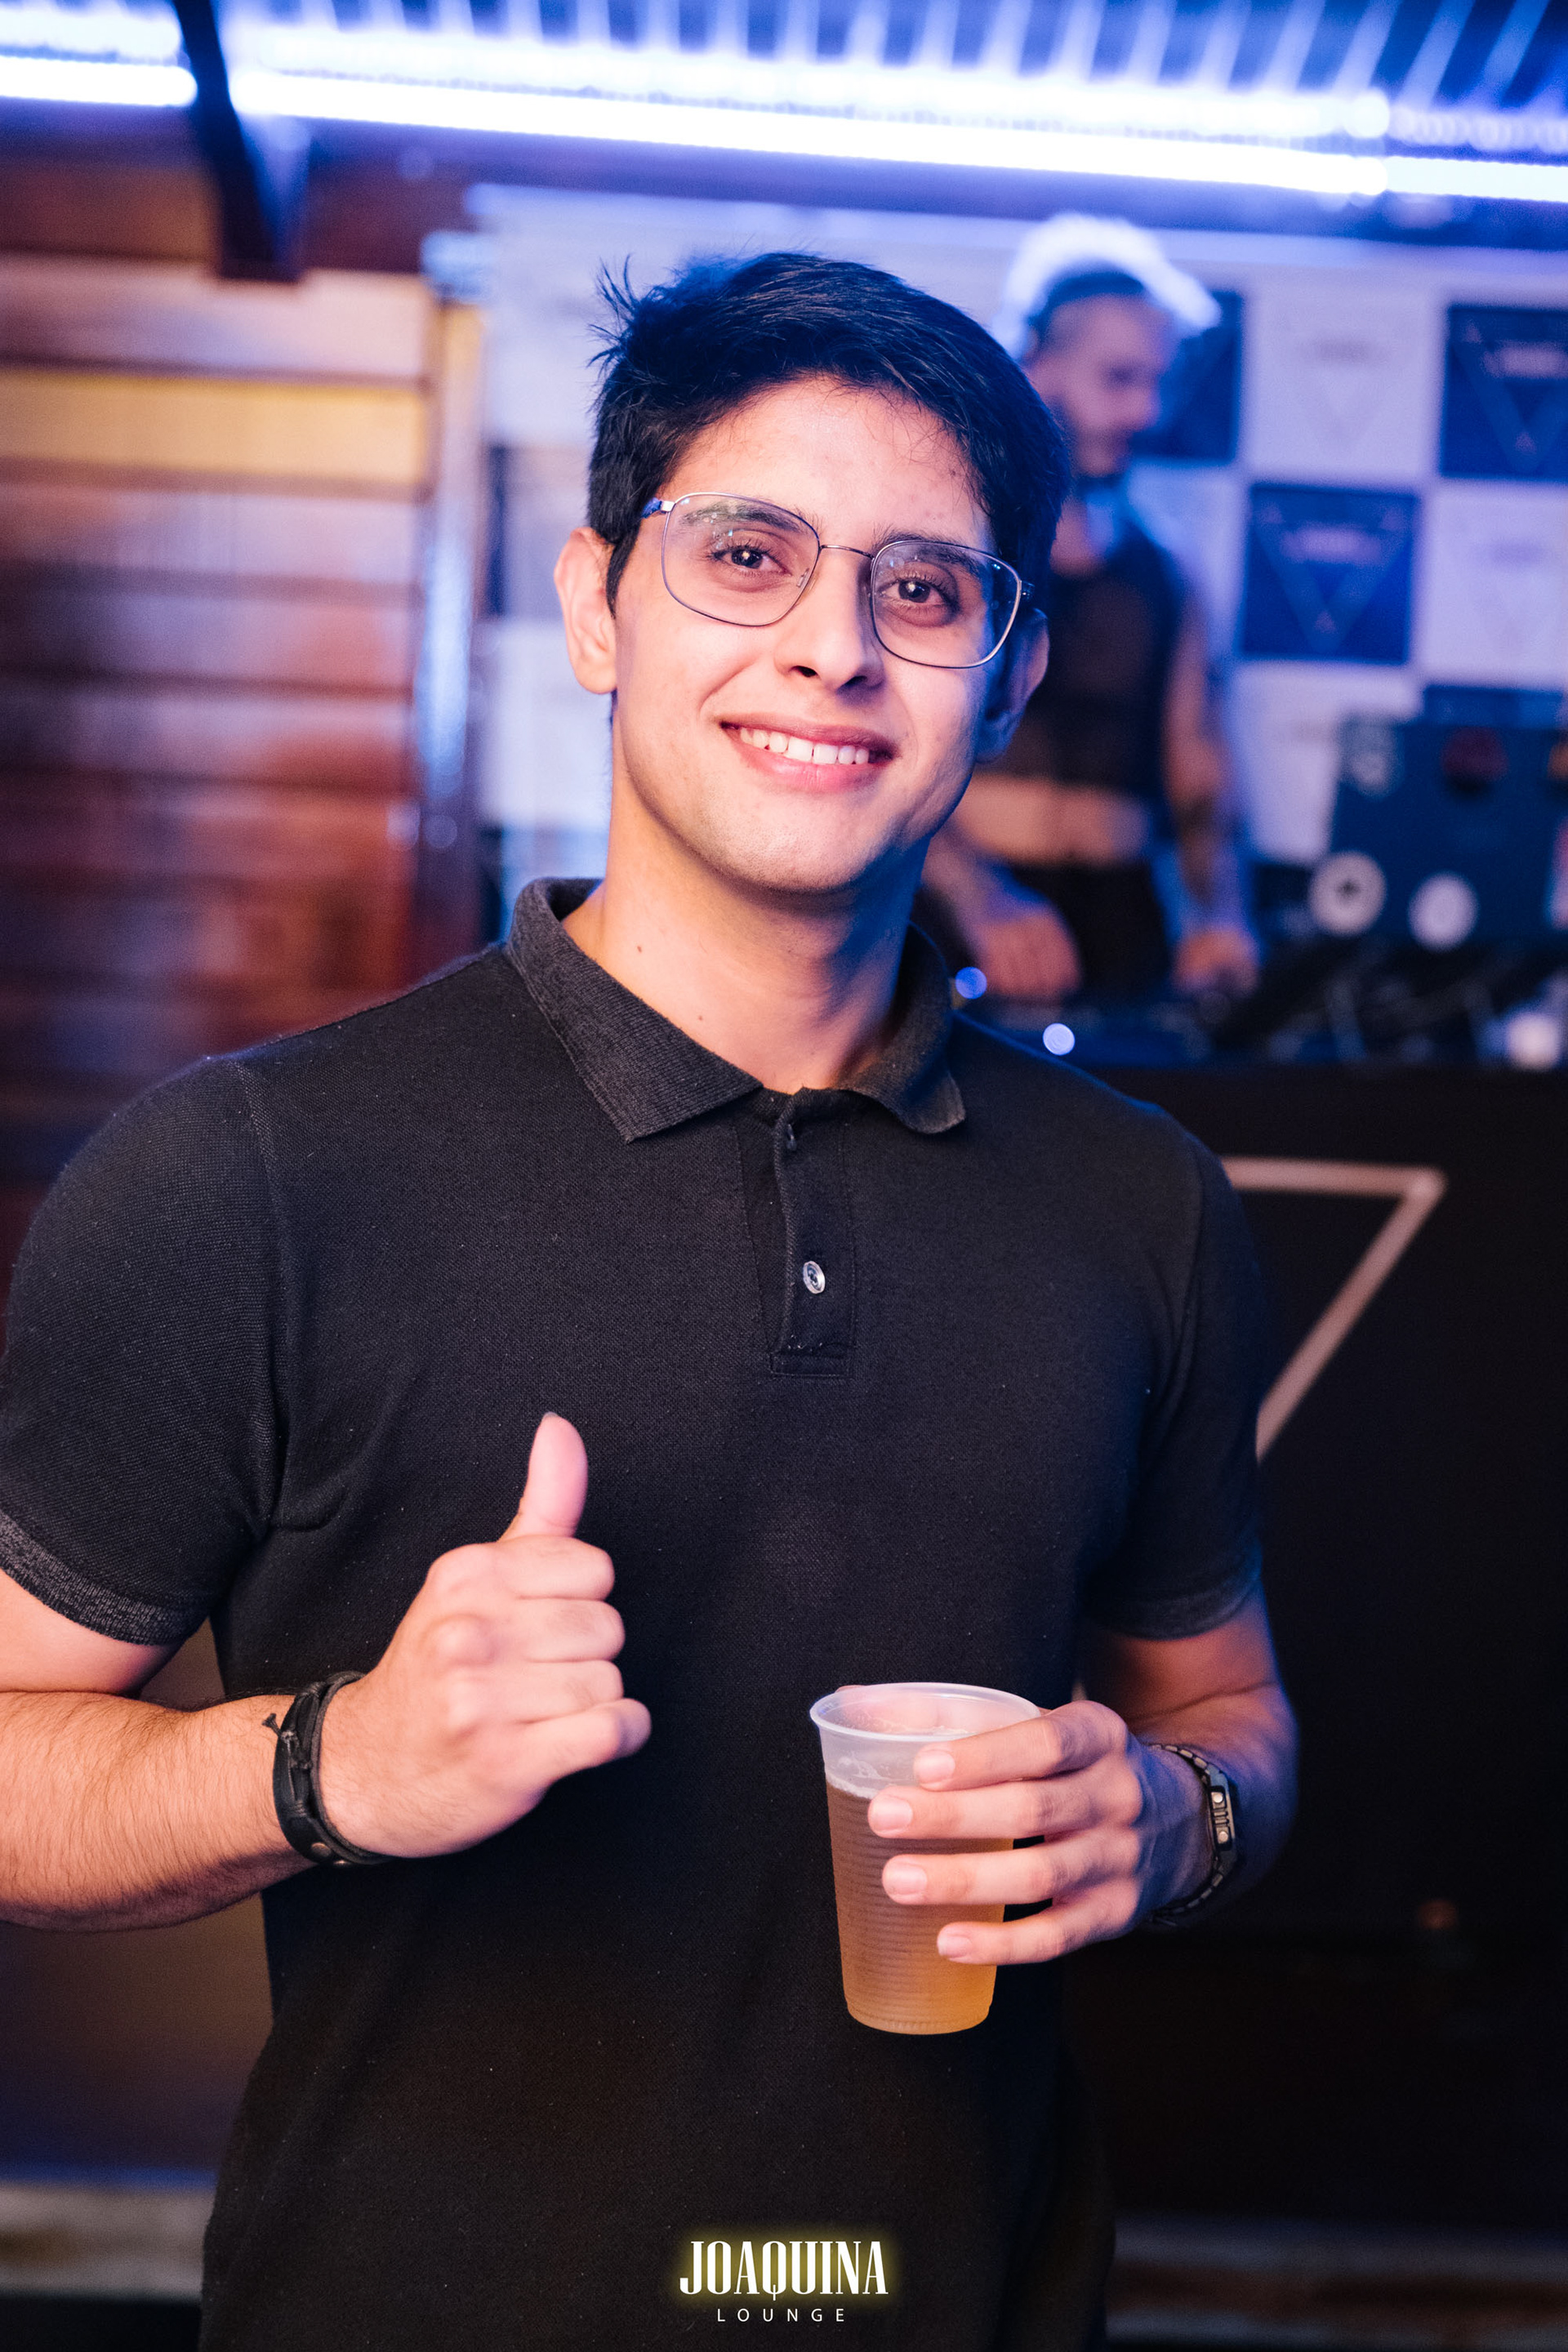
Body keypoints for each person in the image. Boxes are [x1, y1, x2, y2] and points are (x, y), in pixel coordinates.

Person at [0, 252, 1295, 2351]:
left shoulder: (1141, 1206)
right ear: (600, 603)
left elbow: (1229, 1711)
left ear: (1007, 671)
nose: (832, 648)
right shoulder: (249, 1174)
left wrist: (1177, 1817)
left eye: (922, 590)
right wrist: (332, 1765)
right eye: (748, 555)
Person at [920, 216, 1259, 1002]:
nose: (1146, 411)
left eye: (1156, 382)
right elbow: (885, 745)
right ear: (1036, 364)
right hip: (954, 925)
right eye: (1119, 379)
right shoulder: (954, 549)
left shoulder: (1167, 571)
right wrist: (983, 899)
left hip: (1121, 936)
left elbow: (1200, 774)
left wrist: (1219, 915)